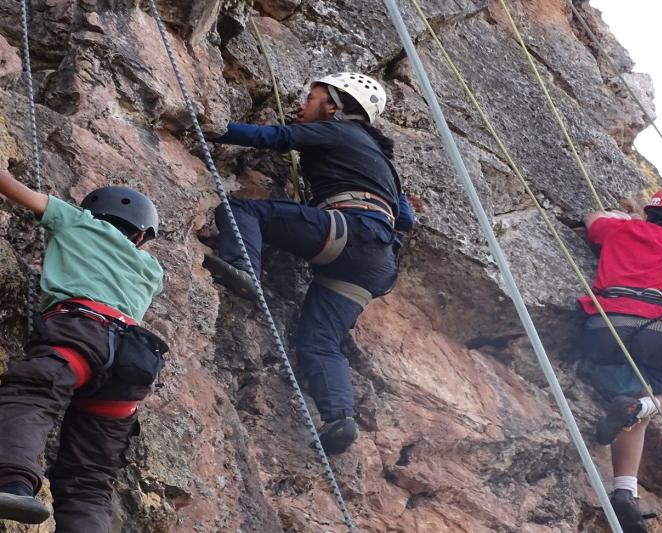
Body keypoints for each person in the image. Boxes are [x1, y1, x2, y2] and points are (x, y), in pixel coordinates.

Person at [203, 72, 414, 455]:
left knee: (241, 209)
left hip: (350, 233)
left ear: (333, 106)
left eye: (311, 97)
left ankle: (243, 268)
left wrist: (214, 127)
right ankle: (339, 418)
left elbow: (278, 138)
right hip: (376, 263)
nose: (302, 106)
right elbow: (407, 220)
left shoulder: (339, 131)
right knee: (319, 343)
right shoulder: (385, 163)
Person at [0, 171, 166, 531]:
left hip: (82, 335)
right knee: (90, 476)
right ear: (140, 235)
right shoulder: (152, 268)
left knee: (33, 394)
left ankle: (14, 484)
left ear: (92, 212)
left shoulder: (78, 221)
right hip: (134, 359)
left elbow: (15, 189)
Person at [576, 186, 662, 533]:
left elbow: (592, 220)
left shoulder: (623, 230)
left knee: (633, 398)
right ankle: (647, 411)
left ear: (651, 211)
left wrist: (628, 219)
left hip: (608, 329)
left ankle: (626, 491)